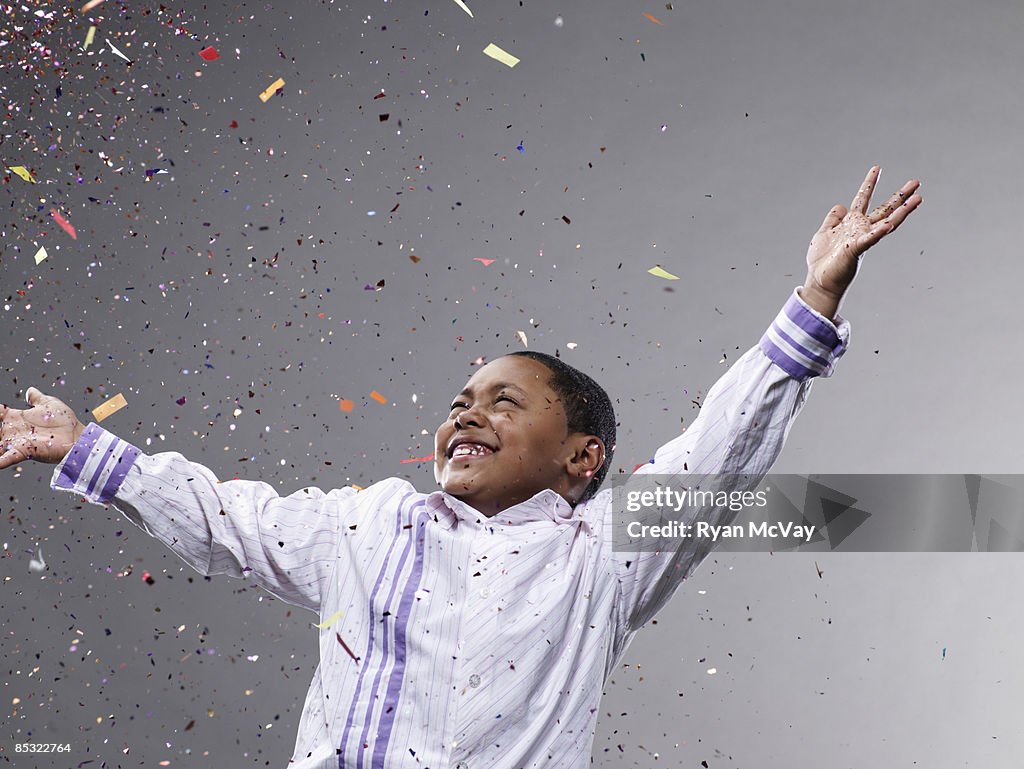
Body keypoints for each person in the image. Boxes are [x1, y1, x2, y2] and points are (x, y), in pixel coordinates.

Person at [0, 166, 921, 769]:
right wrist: (83, 446)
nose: (467, 413)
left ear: (581, 458)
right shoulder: (368, 526)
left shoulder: (604, 557)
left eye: (505, 402)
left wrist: (817, 295)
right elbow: (224, 517)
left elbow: (718, 454)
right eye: (459, 402)